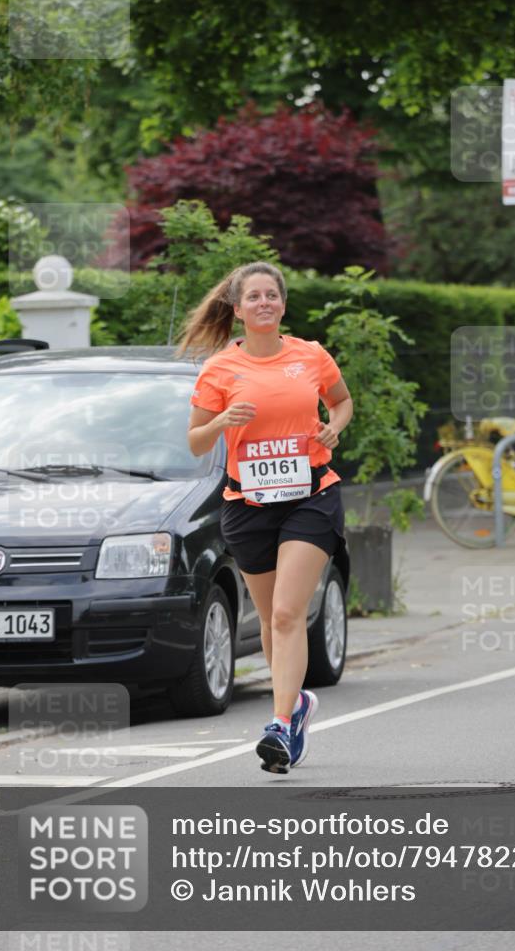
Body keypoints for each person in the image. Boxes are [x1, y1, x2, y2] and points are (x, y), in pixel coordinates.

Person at [178, 261, 353, 771]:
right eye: (252, 297)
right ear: (237, 309)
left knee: (285, 613)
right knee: (276, 625)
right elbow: (194, 442)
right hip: (248, 504)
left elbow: (341, 403)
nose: (263, 303)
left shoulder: (311, 356)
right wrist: (223, 423)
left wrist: (332, 427)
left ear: (282, 303)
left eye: (270, 295)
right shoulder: (219, 370)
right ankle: (295, 705)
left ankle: (278, 726)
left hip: (310, 496)